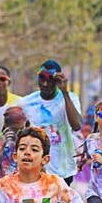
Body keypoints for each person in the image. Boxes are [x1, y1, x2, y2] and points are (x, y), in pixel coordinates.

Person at [20, 59, 84, 192]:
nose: (45, 83)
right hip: (35, 169)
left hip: (62, 170)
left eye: (50, 79)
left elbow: (77, 125)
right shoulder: (27, 102)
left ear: (57, 81)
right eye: (41, 77)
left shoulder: (70, 98)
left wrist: (65, 92)